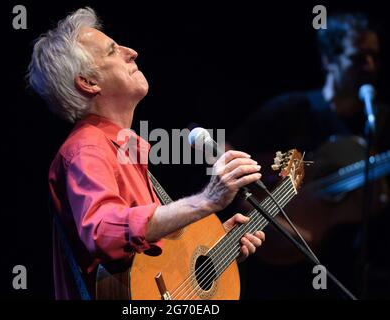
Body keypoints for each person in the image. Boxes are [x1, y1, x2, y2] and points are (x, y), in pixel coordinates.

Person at [27, 7, 265, 300]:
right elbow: (102, 231)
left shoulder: (122, 148)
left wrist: (215, 250)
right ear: (88, 82)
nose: (132, 52)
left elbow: (147, 265)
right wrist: (207, 201)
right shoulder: (86, 149)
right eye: (113, 51)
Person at [229, 13, 390, 298]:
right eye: (358, 57)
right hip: (281, 275)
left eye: (375, 56)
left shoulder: (381, 123)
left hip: (351, 270)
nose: (370, 66)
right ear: (329, 59)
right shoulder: (292, 111)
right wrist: (252, 202)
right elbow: (230, 155)